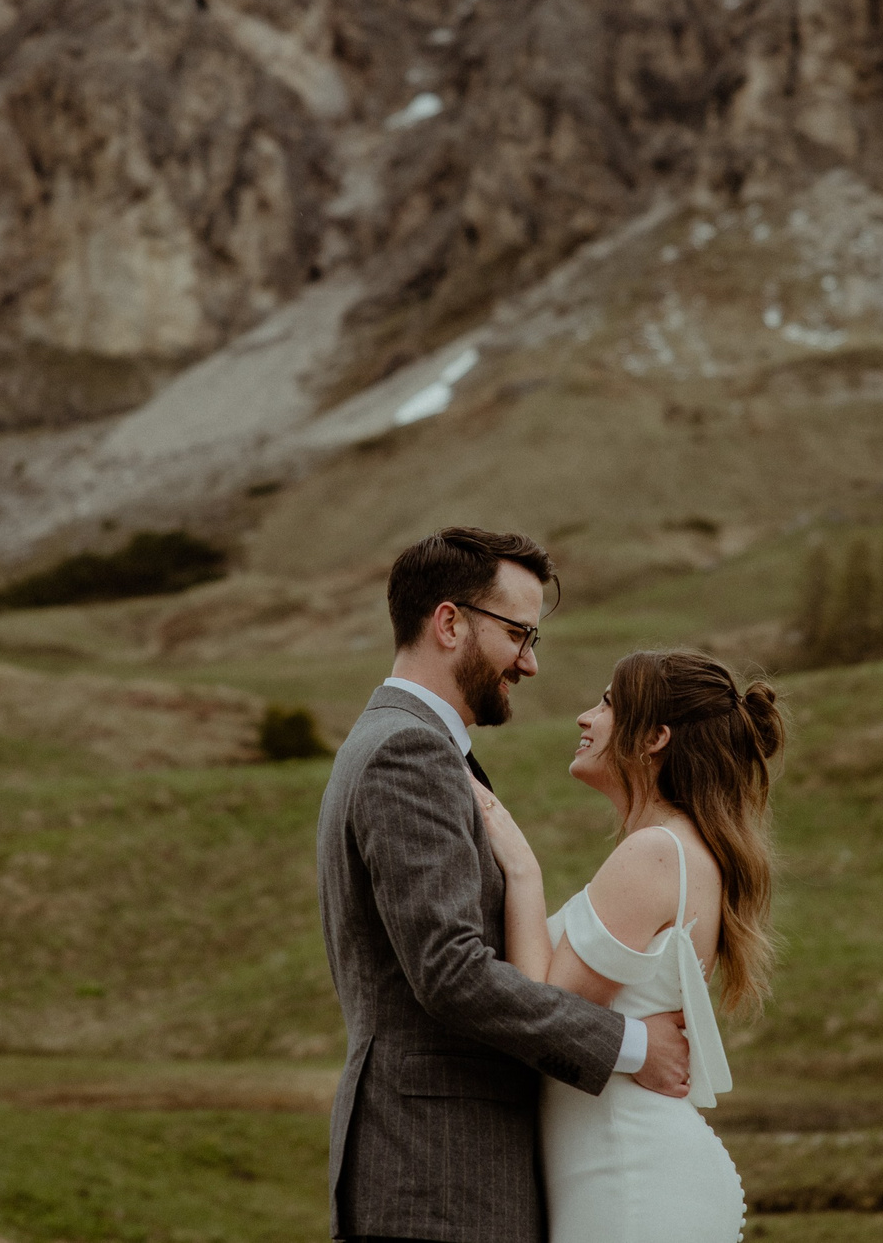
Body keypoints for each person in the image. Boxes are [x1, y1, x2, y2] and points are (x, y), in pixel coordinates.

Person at [317, 527, 694, 1242]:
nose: (530, 664)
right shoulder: (408, 752)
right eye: (519, 634)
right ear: (450, 622)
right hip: (437, 1181)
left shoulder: (400, 742)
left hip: (434, 1178)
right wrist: (634, 1047)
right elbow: (450, 972)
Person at [474, 648, 785, 1243]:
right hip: (623, 1170)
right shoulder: (682, 848)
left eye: (609, 704)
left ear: (655, 738)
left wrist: (522, 869)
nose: (584, 718)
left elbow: (542, 1012)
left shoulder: (656, 852)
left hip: (630, 1176)